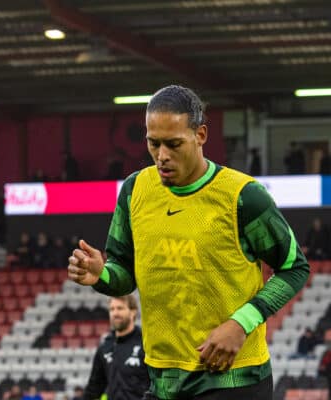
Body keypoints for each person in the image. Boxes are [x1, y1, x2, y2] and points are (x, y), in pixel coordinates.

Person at [67, 85, 310, 400]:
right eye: (153, 144)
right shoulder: (134, 191)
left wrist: (241, 323)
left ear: (201, 135)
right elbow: (124, 273)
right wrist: (101, 274)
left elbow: (294, 267)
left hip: (233, 379)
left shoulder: (243, 196)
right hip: (162, 380)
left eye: (174, 144)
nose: (162, 156)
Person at [84, 294, 149, 400]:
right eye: (112, 309)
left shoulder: (145, 343)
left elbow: (156, 385)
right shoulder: (105, 346)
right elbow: (93, 388)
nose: (115, 313)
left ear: (133, 312)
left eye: (120, 308)